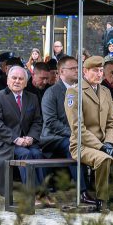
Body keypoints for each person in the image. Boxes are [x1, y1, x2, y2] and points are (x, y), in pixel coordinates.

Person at [64, 55, 113, 211]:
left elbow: (112, 123)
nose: (99, 74)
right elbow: (78, 128)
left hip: (105, 143)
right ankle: (102, 201)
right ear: (84, 71)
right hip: (82, 145)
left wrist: (110, 142)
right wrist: (100, 146)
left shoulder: (104, 91)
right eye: (95, 71)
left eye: (100, 71)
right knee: (104, 159)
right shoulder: (74, 92)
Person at [0, 65, 48, 201]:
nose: (17, 81)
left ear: (26, 82)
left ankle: (42, 193)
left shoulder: (32, 98)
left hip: (27, 142)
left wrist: (31, 138)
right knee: (26, 154)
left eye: (20, 79)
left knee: (37, 153)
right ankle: (32, 194)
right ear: (8, 80)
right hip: (5, 143)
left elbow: (37, 121)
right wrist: (16, 139)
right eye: (14, 78)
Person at [39, 55, 86, 197]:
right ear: (61, 72)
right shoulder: (51, 92)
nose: (77, 71)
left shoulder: (80, 91)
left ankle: (100, 188)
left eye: (78, 68)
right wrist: (73, 133)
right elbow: (51, 122)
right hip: (52, 139)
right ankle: (83, 192)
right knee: (75, 145)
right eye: (73, 68)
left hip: (73, 135)